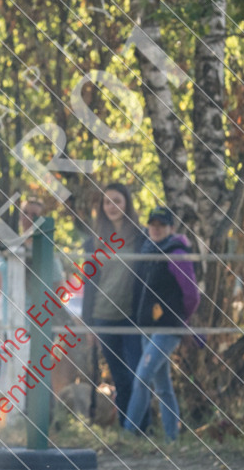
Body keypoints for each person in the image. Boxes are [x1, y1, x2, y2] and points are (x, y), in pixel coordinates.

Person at [123, 207, 200, 441]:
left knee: (142, 377)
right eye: (152, 224)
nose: (155, 229)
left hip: (167, 328)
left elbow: (192, 295)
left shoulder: (176, 253)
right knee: (163, 386)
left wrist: (179, 319)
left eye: (161, 225)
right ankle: (172, 439)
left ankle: (127, 434)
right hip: (148, 327)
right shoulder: (148, 251)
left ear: (171, 229)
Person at [80, 184, 146, 427]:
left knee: (138, 375)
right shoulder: (94, 243)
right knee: (120, 377)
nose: (112, 207)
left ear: (127, 203)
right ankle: (126, 429)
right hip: (103, 317)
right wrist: (88, 325)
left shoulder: (141, 238)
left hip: (132, 318)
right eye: (107, 202)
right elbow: (89, 285)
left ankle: (141, 427)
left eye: (117, 201)